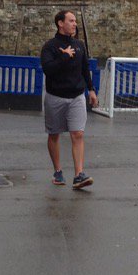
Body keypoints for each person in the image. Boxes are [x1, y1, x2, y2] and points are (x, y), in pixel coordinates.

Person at [40, 10, 97, 189]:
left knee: (78, 134)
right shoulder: (50, 46)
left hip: (77, 96)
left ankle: (79, 175)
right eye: (71, 21)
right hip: (55, 97)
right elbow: (48, 69)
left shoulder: (79, 45)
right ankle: (58, 171)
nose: (75, 24)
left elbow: (85, 69)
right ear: (60, 23)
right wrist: (64, 57)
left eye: (75, 21)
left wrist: (91, 90)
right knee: (54, 134)